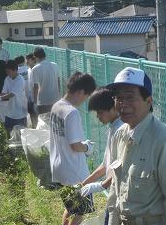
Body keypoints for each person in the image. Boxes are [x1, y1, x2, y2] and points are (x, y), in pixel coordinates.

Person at [106, 67, 166, 225]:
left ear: (148, 101)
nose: (123, 104)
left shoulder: (163, 138)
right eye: (118, 98)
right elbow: (115, 191)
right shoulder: (119, 134)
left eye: (130, 97)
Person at [49, 72, 96, 225]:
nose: (85, 100)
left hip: (59, 167)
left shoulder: (56, 106)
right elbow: (75, 145)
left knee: (70, 207)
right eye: (87, 96)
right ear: (81, 91)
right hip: (74, 171)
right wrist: (88, 147)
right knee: (81, 211)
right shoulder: (72, 112)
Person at [80, 88, 124, 225]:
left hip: (121, 194)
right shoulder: (113, 128)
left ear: (113, 108)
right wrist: (84, 183)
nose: (98, 116)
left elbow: (122, 164)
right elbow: (106, 165)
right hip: (113, 192)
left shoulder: (122, 129)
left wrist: (102, 185)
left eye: (100, 112)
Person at [0, 59, 27, 138]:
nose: (7, 73)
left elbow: (12, 94)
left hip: (20, 112)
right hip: (9, 111)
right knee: (8, 129)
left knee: (20, 132)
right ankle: (10, 145)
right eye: (6, 71)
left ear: (15, 70)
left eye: (9, 71)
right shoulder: (7, 79)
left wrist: (0, 98)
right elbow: (4, 92)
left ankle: (20, 148)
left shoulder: (20, 80)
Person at [31, 47, 60, 114]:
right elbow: (58, 82)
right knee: (54, 122)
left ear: (36, 57)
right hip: (55, 100)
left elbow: (35, 87)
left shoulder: (35, 69)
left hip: (43, 101)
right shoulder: (55, 65)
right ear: (45, 55)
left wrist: (35, 102)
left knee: (44, 123)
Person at [26, 53, 38, 128]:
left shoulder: (36, 70)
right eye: (26, 59)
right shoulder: (29, 70)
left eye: (28, 60)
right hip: (30, 96)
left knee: (36, 115)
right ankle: (33, 128)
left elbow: (36, 86)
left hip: (36, 98)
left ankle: (36, 128)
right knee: (31, 114)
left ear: (34, 60)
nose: (26, 61)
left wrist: (36, 101)